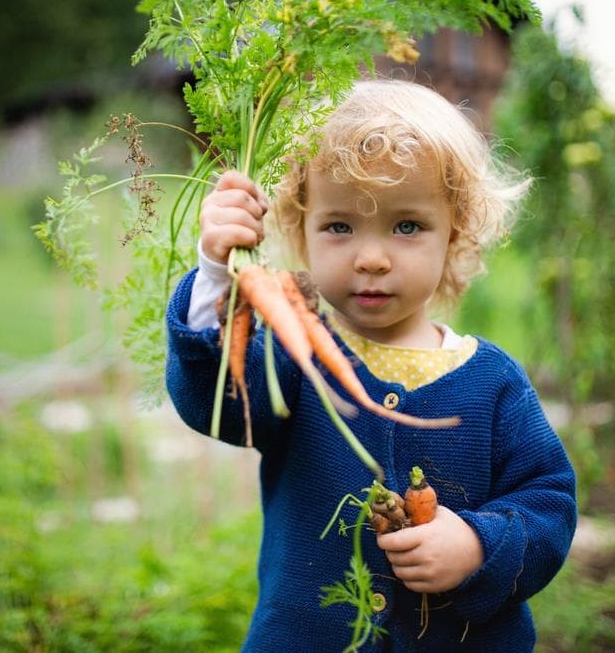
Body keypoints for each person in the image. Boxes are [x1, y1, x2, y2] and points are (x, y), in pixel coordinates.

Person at [165, 79, 577, 651]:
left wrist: (479, 546)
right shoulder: (293, 357)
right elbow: (219, 408)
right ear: (301, 231)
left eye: (407, 226)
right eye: (339, 226)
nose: (372, 258)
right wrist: (215, 275)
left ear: (454, 233)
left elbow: (548, 503)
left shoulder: (494, 382)